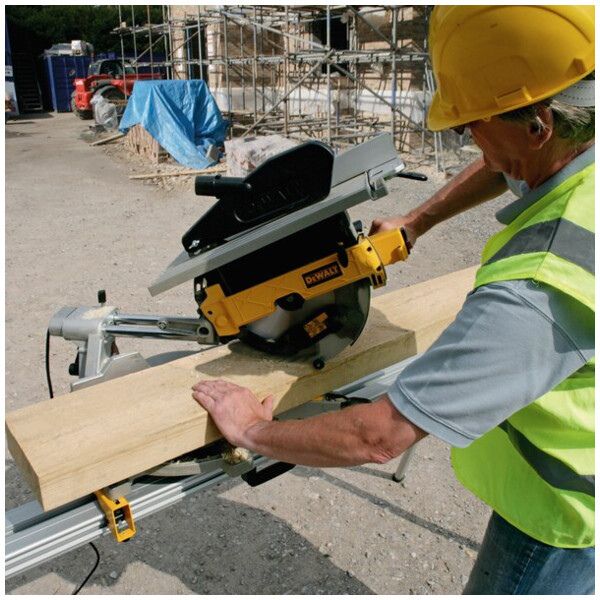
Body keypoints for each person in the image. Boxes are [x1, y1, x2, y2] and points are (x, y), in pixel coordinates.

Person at [192, 6, 595, 594]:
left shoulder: (541, 282)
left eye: (470, 124)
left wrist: (253, 429)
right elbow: (506, 162)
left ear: (538, 124)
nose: (467, 139)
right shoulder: (580, 135)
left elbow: (377, 437)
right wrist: (417, 220)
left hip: (562, 510)